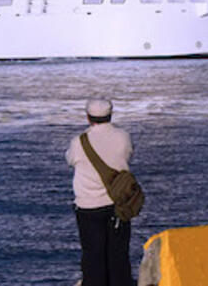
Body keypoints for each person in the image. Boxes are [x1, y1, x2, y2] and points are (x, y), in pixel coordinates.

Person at [65, 99, 134, 286]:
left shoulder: (79, 142)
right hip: (118, 204)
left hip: (88, 206)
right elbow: (128, 154)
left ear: (88, 117)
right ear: (110, 115)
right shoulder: (123, 137)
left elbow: (70, 160)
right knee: (118, 254)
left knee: (93, 255)